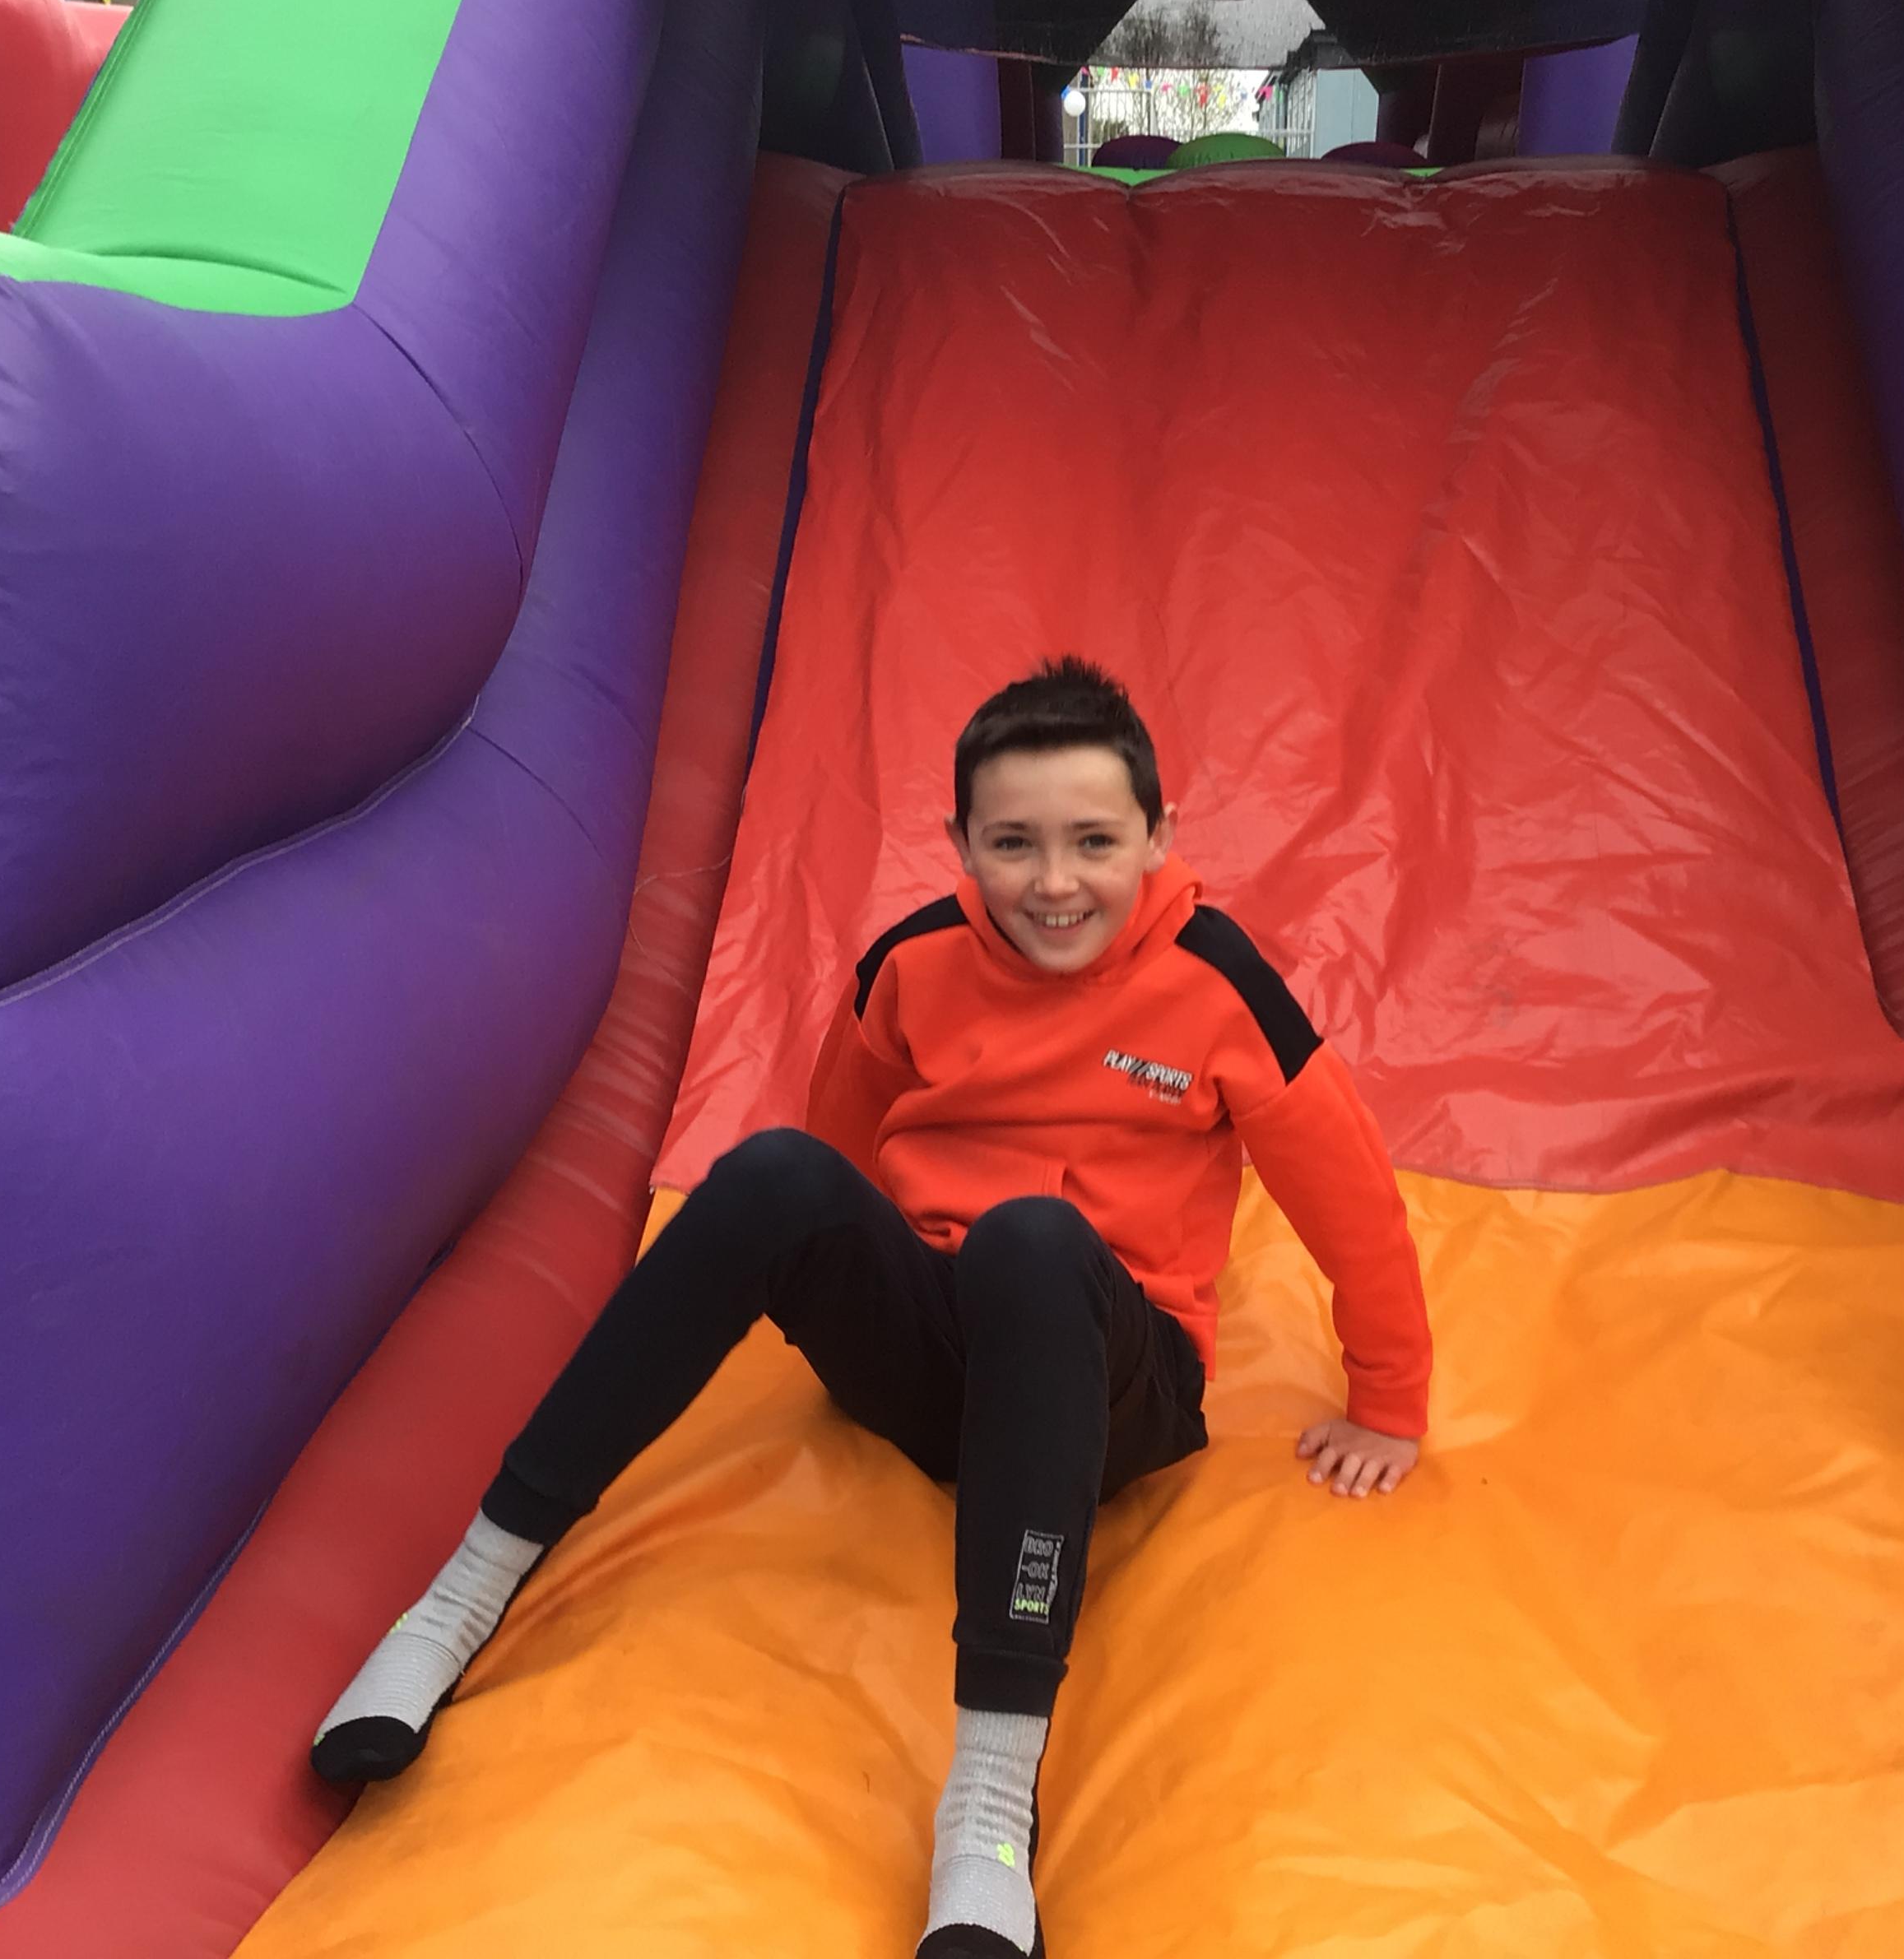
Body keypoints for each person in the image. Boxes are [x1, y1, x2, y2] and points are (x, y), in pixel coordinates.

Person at [310, 657, 1433, 1958]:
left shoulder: (1218, 981)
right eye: (1013, 844)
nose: (1054, 882)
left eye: (1093, 842)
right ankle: (460, 1597)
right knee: (774, 1171)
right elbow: (837, 1153)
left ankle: (991, 1800)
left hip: (1108, 1382)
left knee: (1029, 1240)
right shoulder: (913, 962)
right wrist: (833, 1274)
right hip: (939, 1356)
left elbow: (1348, 1190)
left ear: (1158, 836)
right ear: (959, 843)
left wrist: (1389, 1396)